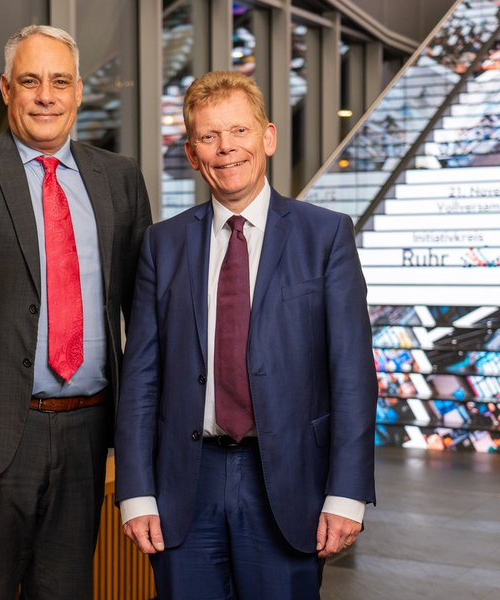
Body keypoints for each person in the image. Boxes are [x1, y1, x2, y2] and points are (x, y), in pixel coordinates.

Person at [0, 25, 151, 600]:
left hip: (88, 436)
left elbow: (145, 319)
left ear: (80, 91)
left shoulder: (120, 179)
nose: (46, 96)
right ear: (6, 89)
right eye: (31, 81)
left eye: (59, 82)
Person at [114, 71, 377, 599]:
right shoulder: (161, 245)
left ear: (268, 137)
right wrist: (136, 493)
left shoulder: (325, 236)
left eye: (239, 131)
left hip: (288, 478)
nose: (226, 148)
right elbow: (141, 376)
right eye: (209, 137)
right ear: (192, 153)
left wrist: (346, 494)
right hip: (185, 482)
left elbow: (352, 374)